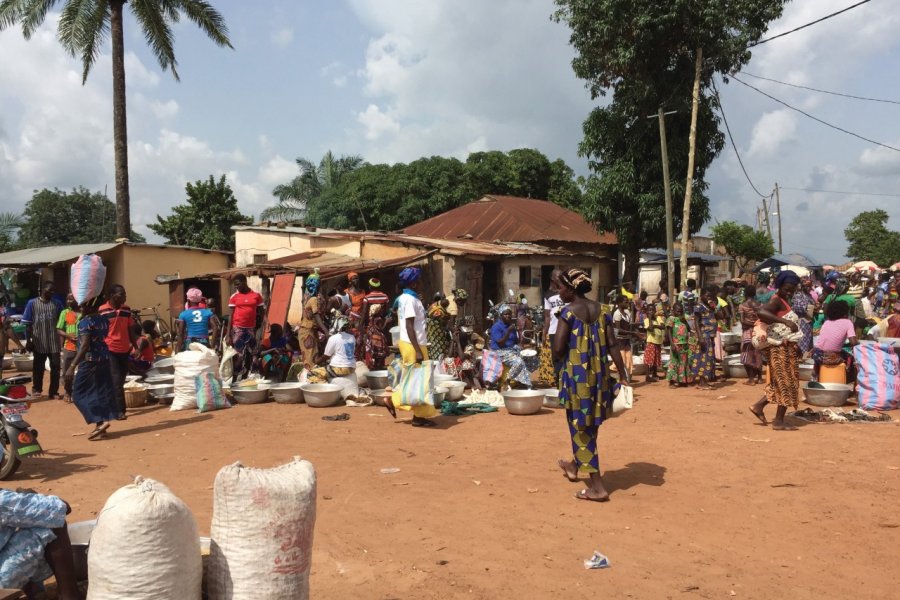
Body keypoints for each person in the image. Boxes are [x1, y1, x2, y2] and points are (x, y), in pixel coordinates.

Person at [553, 268, 628, 503]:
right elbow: (613, 344)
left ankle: (597, 486)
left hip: (577, 379)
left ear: (571, 288)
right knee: (589, 424)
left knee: (580, 428)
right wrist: (624, 374)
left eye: (561, 287)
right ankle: (574, 465)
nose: (559, 292)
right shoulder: (603, 310)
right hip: (599, 376)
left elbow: (557, 349)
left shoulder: (568, 313)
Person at [0, 488, 81, 599]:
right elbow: (62, 508)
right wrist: (33, 497)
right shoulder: (3, 500)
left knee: (25, 521)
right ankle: (70, 596)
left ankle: (33, 589)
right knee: (52, 523)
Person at [385, 267, 439, 427]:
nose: (421, 282)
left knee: (417, 380)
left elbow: (397, 312)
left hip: (414, 342)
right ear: (414, 283)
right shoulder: (409, 300)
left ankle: (417, 414)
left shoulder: (407, 298)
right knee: (419, 380)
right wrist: (417, 350)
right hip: (412, 344)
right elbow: (409, 326)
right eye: (419, 280)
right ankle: (410, 411)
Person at [749, 270, 802, 431]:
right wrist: (785, 322)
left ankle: (758, 406)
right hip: (779, 350)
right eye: (787, 288)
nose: (790, 291)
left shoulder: (785, 300)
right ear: (780, 285)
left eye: (793, 288)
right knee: (785, 383)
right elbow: (761, 312)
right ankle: (779, 421)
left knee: (779, 383)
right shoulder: (776, 300)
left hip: (786, 348)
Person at [65, 295, 119, 440]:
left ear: (89, 307)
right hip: (104, 359)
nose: (80, 308)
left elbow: (84, 346)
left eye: (82, 306)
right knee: (100, 392)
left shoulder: (85, 322)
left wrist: (72, 366)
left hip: (89, 361)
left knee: (78, 394)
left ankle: (99, 421)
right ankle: (100, 427)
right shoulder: (103, 319)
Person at [98, 284, 136, 420]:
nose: (125, 297)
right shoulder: (102, 310)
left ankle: (111, 404)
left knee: (120, 380)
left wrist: (135, 347)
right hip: (110, 349)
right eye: (122, 294)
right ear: (113, 295)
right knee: (115, 379)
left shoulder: (126, 310)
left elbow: (130, 329)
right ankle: (120, 411)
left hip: (124, 349)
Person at [22, 282, 63, 399]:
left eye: (53, 290)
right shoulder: (32, 303)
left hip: (54, 342)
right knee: (38, 367)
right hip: (39, 342)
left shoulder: (57, 304)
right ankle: (37, 389)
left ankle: (53, 392)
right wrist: (29, 341)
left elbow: (62, 321)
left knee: (55, 368)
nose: (52, 292)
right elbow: (27, 324)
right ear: (43, 290)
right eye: (50, 290)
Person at [226, 274, 265, 379]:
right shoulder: (234, 297)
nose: (236, 287)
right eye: (235, 285)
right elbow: (231, 316)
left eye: (238, 284)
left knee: (254, 353)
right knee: (239, 354)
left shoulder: (256, 296)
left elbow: (262, 312)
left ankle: (253, 374)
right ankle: (235, 377)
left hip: (251, 328)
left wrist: (262, 327)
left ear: (244, 282)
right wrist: (228, 334)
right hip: (238, 328)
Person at [488, 306, 531, 388]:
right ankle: (507, 380)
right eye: (505, 314)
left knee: (530, 358)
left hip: (511, 349)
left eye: (509, 314)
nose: (508, 316)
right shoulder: (496, 327)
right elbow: (500, 343)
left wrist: (520, 346)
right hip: (500, 351)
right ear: (501, 315)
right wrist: (508, 331)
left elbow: (515, 341)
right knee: (519, 362)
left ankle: (521, 381)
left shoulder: (511, 326)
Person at [537, 270, 564, 386]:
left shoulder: (567, 292)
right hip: (553, 330)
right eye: (559, 276)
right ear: (553, 278)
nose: (561, 278)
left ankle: (567, 380)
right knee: (556, 357)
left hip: (569, 329)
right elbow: (547, 316)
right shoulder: (548, 294)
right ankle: (558, 381)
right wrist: (544, 333)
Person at [297, 272, 328, 371]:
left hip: (311, 331)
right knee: (310, 359)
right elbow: (316, 315)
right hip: (307, 332)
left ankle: (311, 379)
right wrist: (326, 331)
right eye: (320, 282)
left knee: (314, 356)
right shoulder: (313, 299)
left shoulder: (311, 298)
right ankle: (309, 380)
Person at [176, 287, 221, 352]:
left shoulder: (183, 314)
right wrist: (212, 346)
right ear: (200, 300)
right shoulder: (208, 312)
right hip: (204, 342)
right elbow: (215, 328)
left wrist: (178, 349)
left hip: (190, 342)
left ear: (188, 301)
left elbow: (181, 333)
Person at [359, 278, 391, 369]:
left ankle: (373, 368)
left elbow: (364, 313)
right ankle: (380, 366)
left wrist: (361, 325)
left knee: (371, 347)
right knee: (381, 345)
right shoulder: (385, 297)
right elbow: (385, 312)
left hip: (371, 325)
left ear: (370, 286)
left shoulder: (367, 298)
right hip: (381, 324)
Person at [691, 288, 718, 390]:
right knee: (704, 359)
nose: (709, 298)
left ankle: (704, 381)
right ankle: (702, 382)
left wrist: (714, 307)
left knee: (708, 359)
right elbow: (697, 323)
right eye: (707, 296)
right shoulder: (699, 307)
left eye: (710, 296)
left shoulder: (709, 307)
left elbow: (720, 315)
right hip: (704, 336)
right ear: (701, 296)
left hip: (710, 336)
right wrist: (700, 337)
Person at [56, 294, 80, 402]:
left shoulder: (84, 312)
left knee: (83, 370)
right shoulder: (64, 313)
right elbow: (59, 329)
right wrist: (68, 335)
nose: (69, 301)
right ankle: (68, 391)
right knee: (67, 371)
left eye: (71, 299)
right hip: (69, 347)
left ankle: (80, 392)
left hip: (83, 347)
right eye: (67, 299)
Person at [738, 283, 763, 385]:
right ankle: (760, 378)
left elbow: (743, 321)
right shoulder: (759, 305)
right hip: (758, 331)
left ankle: (751, 379)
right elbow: (762, 318)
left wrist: (751, 324)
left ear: (745, 293)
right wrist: (756, 323)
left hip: (748, 332)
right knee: (757, 354)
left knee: (746, 355)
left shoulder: (742, 306)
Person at [665, 302, 693, 386]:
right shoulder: (671, 319)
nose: (679, 313)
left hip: (684, 344)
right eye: (678, 311)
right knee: (674, 362)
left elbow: (688, 329)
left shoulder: (683, 319)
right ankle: (672, 381)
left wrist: (685, 321)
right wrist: (672, 344)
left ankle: (682, 380)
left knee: (684, 362)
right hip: (675, 343)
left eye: (681, 311)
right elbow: (669, 332)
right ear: (673, 311)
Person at [791, 277, 816, 356]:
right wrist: (812, 308)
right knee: (802, 340)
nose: (809, 288)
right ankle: (801, 357)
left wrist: (815, 306)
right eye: (807, 286)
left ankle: (806, 357)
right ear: (802, 286)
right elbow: (798, 308)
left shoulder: (808, 295)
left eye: (810, 286)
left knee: (808, 340)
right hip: (801, 322)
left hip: (808, 322)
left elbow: (812, 305)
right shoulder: (798, 295)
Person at [611, 295, 634, 379]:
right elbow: (618, 329)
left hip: (626, 340)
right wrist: (632, 332)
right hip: (619, 340)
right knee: (622, 359)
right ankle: (618, 377)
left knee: (629, 359)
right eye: (626, 302)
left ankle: (627, 379)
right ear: (619, 303)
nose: (628, 303)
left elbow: (630, 325)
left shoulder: (627, 313)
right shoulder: (617, 314)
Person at [426, 293, 453, 360]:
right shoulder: (438, 311)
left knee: (433, 346)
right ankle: (438, 361)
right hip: (437, 333)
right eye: (443, 298)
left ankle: (435, 359)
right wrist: (447, 317)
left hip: (432, 332)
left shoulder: (434, 305)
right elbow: (441, 319)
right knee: (438, 348)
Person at [643, 303, 665, 382]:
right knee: (648, 359)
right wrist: (649, 319)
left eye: (652, 310)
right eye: (649, 310)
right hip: (651, 342)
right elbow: (651, 329)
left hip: (658, 342)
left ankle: (655, 374)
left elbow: (663, 326)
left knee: (656, 359)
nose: (651, 312)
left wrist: (655, 325)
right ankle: (647, 376)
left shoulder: (658, 318)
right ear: (647, 312)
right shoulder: (646, 320)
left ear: (655, 311)